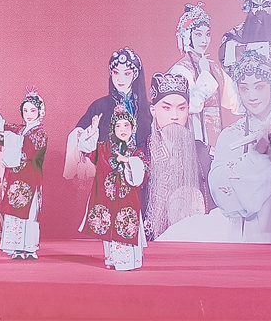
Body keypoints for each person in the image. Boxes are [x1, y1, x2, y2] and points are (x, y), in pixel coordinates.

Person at [209, 51, 271, 244]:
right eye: (244, 88)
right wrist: (257, 156)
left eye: (259, 87)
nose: (252, 96)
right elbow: (218, 185)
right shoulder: (231, 135)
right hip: (249, 231)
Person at [169, 2, 237, 210]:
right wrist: (205, 74)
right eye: (198, 34)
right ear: (186, 35)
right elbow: (191, 104)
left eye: (207, 34)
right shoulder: (180, 70)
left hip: (214, 143)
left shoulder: (213, 67)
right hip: (191, 142)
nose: (204, 40)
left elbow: (234, 99)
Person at [77, 104, 148, 270]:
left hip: (128, 200)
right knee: (108, 226)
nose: (122, 129)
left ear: (133, 128)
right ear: (112, 129)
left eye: (126, 125)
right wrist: (92, 130)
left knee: (125, 225)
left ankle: (127, 262)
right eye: (118, 126)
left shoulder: (137, 152)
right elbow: (87, 150)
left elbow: (143, 172)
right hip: (108, 200)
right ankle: (112, 260)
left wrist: (128, 161)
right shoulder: (105, 149)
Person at [64, 48, 152, 180]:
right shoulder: (99, 106)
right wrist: (90, 132)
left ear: (135, 75)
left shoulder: (148, 109)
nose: (120, 79)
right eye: (116, 73)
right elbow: (78, 135)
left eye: (127, 73)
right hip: (107, 173)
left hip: (139, 172)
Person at [0, 91, 47, 259]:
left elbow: (30, 150)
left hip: (30, 177)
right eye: (26, 110)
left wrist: (9, 138)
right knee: (13, 211)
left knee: (29, 212)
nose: (29, 114)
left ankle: (30, 248)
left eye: (33, 110)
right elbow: (1, 128)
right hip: (14, 177)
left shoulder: (40, 133)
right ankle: (15, 247)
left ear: (40, 111)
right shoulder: (19, 130)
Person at [144, 72, 204, 240]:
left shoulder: (201, 152)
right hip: (149, 241)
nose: (175, 116)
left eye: (181, 108)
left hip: (191, 239)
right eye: (166, 108)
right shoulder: (141, 152)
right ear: (153, 110)